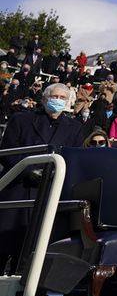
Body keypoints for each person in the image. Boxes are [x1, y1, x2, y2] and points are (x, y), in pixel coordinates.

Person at [0, 82, 83, 273]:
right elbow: (8, 151)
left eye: (63, 98)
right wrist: (29, 171)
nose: (58, 101)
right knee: (3, 246)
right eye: (55, 97)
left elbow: (74, 157)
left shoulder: (75, 128)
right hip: (17, 191)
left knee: (29, 257)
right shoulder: (21, 120)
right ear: (44, 99)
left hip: (47, 194)